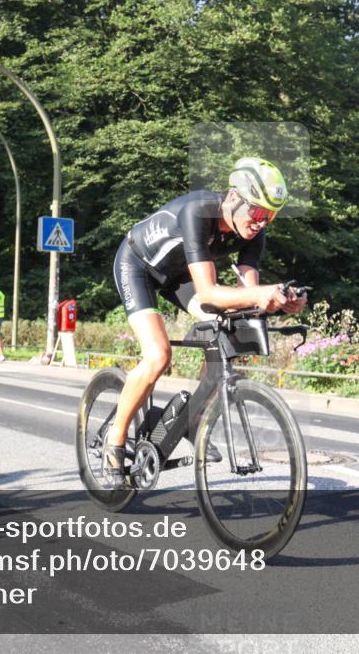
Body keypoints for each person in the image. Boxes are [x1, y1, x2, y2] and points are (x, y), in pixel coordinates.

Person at [105, 157, 307, 484]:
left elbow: (247, 296)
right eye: (258, 212)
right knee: (158, 356)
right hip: (138, 266)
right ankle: (115, 440)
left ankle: (192, 418)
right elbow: (209, 292)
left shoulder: (253, 232)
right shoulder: (198, 212)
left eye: (271, 216)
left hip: (179, 276)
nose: (262, 223)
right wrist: (261, 294)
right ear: (233, 198)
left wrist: (282, 302)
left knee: (231, 325)